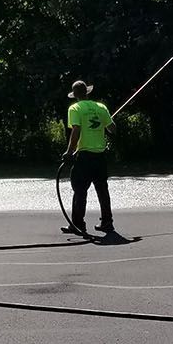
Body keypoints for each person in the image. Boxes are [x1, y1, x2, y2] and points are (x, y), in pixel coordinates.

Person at [62, 78, 114, 236]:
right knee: (102, 190)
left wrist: (69, 152)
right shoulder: (101, 107)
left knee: (79, 190)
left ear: (75, 95)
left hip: (84, 156)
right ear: (87, 92)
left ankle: (78, 224)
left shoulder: (75, 108)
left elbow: (76, 130)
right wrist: (108, 121)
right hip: (100, 156)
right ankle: (107, 222)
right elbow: (113, 129)